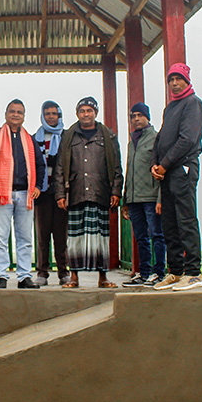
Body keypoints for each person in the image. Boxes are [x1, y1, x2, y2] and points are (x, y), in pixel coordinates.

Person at [53, 97, 123, 288]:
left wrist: (116, 190)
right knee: (74, 238)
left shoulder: (108, 136)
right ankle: (73, 278)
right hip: (75, 193)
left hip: (100, 192)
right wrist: (60, 194)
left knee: (101, 238)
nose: (86, 114)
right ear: (77, 114)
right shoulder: (68, 136)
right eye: (82, 111)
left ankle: (103, 278)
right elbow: (60, 167)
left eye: (89, 111)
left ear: (95, 113)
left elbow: (117, 166)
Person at [151, 63, 202, 291]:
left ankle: (193, 273)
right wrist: (155, 164)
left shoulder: (193, 104)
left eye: (178, 79)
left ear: (186, 80)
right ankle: (175, 271)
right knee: (169, 223)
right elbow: (161, 138)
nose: (174, 83)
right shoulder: (170, 107)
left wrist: (164, 165)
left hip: (183, 169)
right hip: (165, 173)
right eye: (170, 80)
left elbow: (187, 140)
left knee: (186, 220)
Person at [0, 99, 45, 289]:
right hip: (1, 194)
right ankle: (1, 276)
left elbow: (40, 164)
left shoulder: (29, 139)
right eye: (12, 111)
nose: (16, 115)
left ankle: (24, 277)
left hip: (25, 194)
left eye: (20, 112)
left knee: (25, 238)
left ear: (24, 117)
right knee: (0, 238)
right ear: (6, 114)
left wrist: (38, 186)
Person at [121, 102, 167, 287]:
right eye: (133, 116)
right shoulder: (132, 142)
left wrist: (160, 198)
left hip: (150, 197)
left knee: (157, 235)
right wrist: (126, 200)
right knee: (141, 237)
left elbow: (163, 172)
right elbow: (129, 171)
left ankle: (159, 273)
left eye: (140, 115)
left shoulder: (156, 139)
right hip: (134, 199)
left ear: (147, 117)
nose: (136, 119)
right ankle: (144, 273)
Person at [32, 100, 69, 286]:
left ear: (59, 115)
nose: (51, 117)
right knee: (42, 235)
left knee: (61, 235)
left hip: (62, 192)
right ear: (42, 116)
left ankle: (64, 272)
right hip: (42, 193)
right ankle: (42, 273)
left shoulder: (67, 136)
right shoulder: (35, 138)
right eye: (47, 114)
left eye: (54, 113)